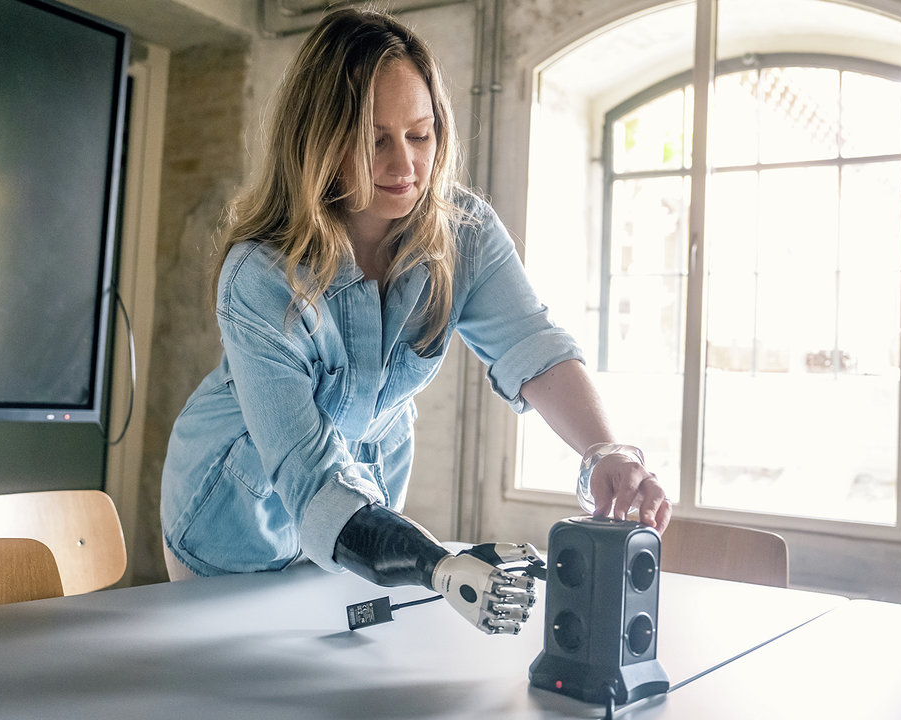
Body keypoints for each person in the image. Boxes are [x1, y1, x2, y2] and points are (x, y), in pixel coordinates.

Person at [160, 8, 670, 634]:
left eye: (420, 135)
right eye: (375, 140)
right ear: (321, 143)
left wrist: (605, 451)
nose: (404, 164)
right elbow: (311, 479)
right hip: (231, 522)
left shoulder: (465, 233)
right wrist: (436, 566)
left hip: (363, 526)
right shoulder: (260, 276)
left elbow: (533, 345)